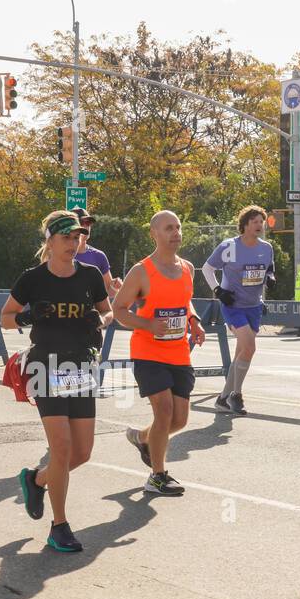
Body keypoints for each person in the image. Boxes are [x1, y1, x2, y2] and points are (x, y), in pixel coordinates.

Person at [1, 210, 113, 552]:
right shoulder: (33, 278)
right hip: (45, 366)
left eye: (77, 236)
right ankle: (59, 526)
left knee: (82, 453)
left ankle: (35, 479)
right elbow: (5, 318)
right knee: (61, 449)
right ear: (49, 241)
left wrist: (101, 320)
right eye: (66, 237)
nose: (74, 242)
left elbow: (108, 311)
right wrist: (28, 316)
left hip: (80, 367)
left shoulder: (91, 275)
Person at [111, 210, 206, 495]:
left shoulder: (187, 268)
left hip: (179, 352)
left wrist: (194, 321)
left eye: (177, 227)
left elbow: (185, 302)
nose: (175, 233)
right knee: (163, 412)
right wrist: (149, 324)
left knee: (179, 420)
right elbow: (118, 310)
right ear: (154, 233)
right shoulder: (142, 271)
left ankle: (142, 438)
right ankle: (158, 475)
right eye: (168, 228)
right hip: (148, 350)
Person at [200, 204, 275, 414]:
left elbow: (269, 269)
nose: (259, 225)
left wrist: (270, 278)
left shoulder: (266, 248)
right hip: (233, 306)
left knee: (241, 353)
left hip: (254, 306)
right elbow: (207, 269)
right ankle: (236, 395)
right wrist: (218, 290)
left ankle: (222, 399)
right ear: (244, 225)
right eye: (255, 222)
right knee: (249, 348)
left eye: (261, 221)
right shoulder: (229, 246)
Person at [71, 207, 121, 299]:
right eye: (82, 223)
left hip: (93, 312)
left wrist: (115, 287)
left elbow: (108, 294)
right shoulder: (62, 255)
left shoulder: (99, 256)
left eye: (88, 223)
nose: (86, 226)